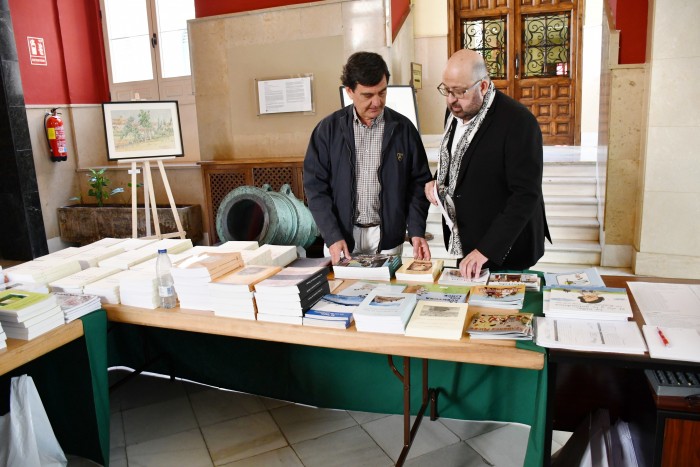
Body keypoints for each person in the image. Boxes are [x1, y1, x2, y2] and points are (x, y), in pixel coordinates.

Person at [425, 49, 551, 278]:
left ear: (482, 86)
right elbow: (455, 159)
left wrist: (486, 249)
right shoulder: (455, 110)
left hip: (505, 248)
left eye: (460, 91)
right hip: (465, 239)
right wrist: (435, 180)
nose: (451, 99)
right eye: (446, 90)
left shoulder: (518, 122)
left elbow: (525, 195)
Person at [304, 51, 432, 264]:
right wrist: (332, 235)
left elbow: (419, 184)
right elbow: (315, 188)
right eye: (367, 95)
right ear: (349, 91)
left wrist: (417, 229)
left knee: (387, 295)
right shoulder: (327, 130)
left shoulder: (404, 129)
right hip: (340, 238)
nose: (376, 102)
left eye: (382, 93)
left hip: (388, 238)